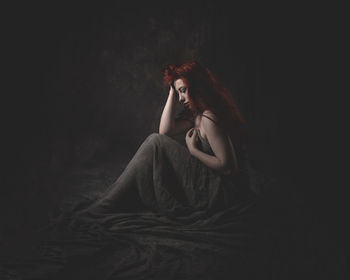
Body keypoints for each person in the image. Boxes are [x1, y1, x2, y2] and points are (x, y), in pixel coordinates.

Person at [81, 61, 254, 217]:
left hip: (221, 194)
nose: (181, 98)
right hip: (213, 187)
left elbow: (228, 167)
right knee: (155, 140)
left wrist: (193, 151)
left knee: (154, 143)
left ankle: (107, 203)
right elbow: (165, 131)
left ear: (196, 87)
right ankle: (111, 199)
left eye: (183, 91)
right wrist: (173, 89)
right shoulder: (197, 115)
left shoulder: (209, 118)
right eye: (179, 93)